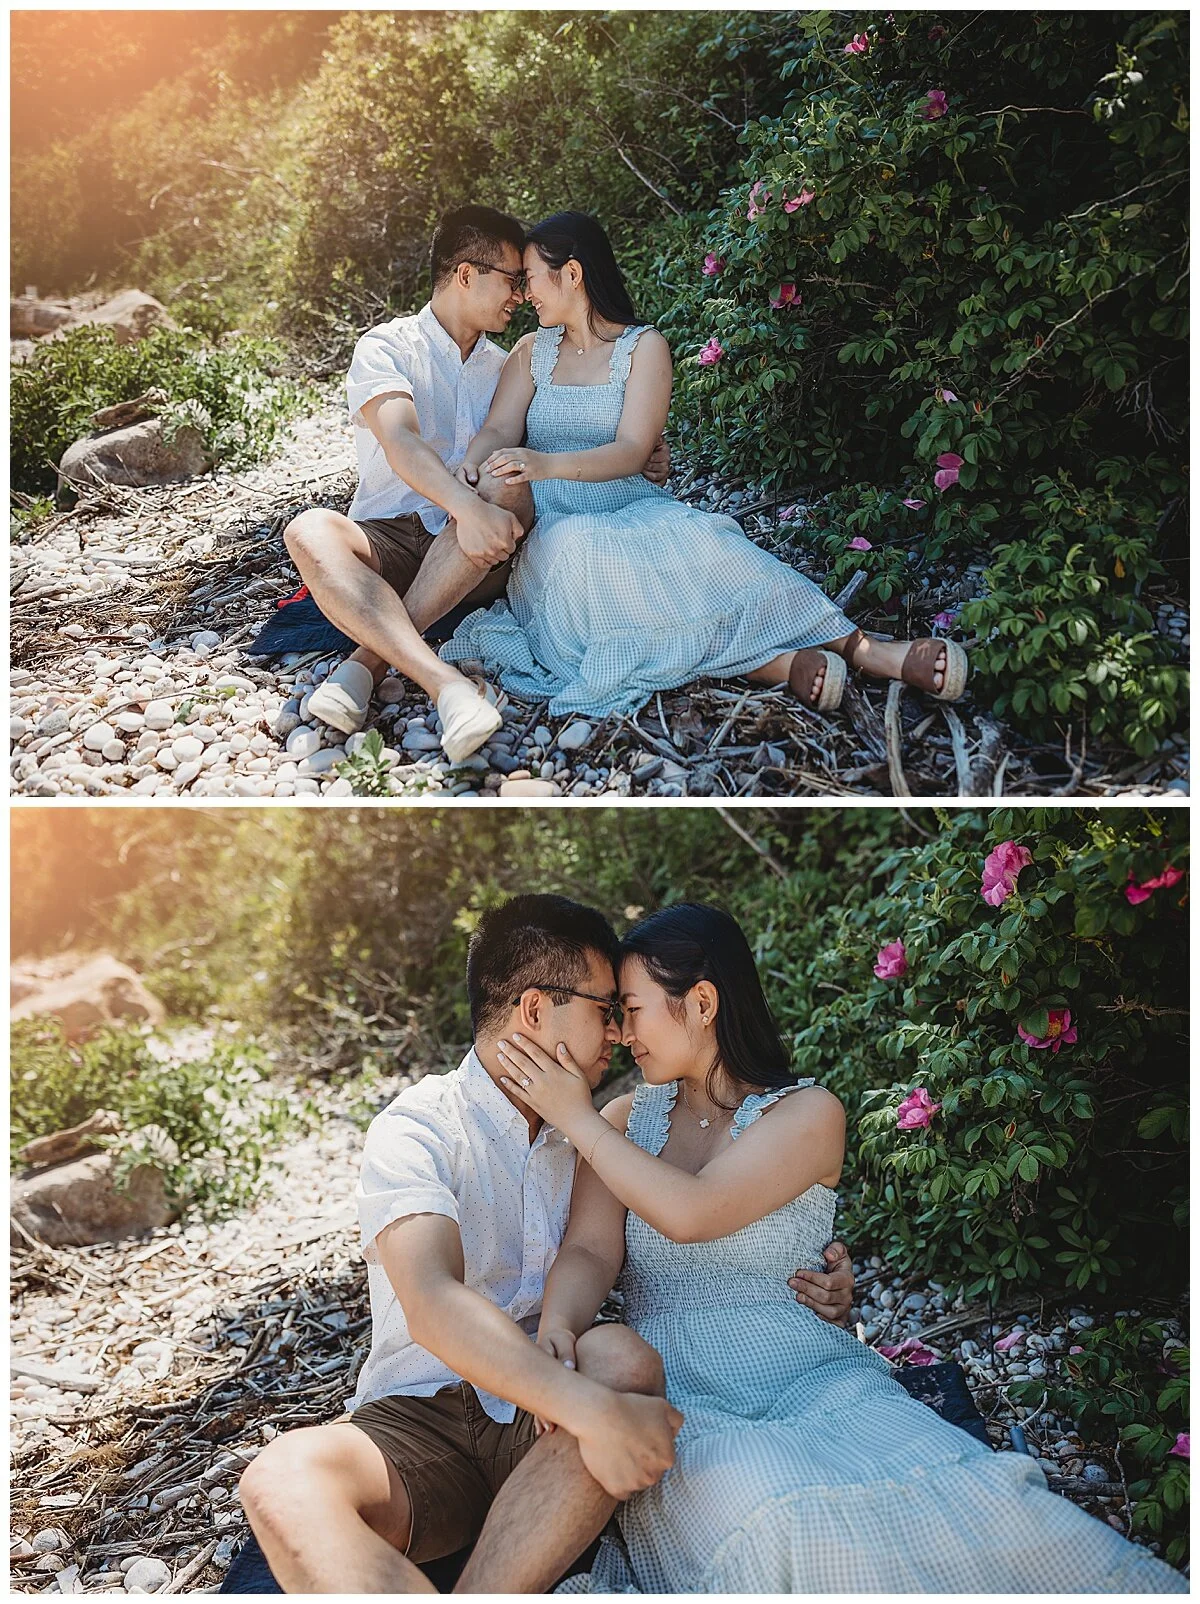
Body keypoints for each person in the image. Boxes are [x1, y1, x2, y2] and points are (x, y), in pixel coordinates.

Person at [491, 902, 1186, 1595]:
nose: (618, 1031)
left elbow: (692, 1213)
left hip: (807, 1370)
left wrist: (576, 1119)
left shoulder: (807, 1113)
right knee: (771, 1515)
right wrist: (557, 1327)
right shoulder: (622, 1119)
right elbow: (588, 1250)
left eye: (632, 1009)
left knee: (992, 1511)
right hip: (677, 1382)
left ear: (700, 1002)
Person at [238, 895, 854, 1593]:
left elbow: (678, 1223)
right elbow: (433, 1301)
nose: (618, 1036)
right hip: (425, 1420)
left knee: (621, 1357)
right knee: (281, 1477)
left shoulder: (594, 1135)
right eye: (602, 1011)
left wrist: (811, 1267)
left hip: (547, 1434)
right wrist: (589, 1409)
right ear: (536, 1012)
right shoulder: (418, 1129)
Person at [442, 211, 969, 719]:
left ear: (572, 275)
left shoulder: (644, 348)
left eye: (531, 278)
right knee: (594, 565)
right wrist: (472, 464)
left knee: (720, 550)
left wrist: (543, 462)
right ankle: (781, 666)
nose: (525, 292)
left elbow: (631, 451)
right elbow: (497, 431)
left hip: (635, 505)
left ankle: (873, 652)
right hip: (557, 522)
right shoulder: (531, 351)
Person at [282, 205, 670, 761]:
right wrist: (467, 504)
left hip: (483, 553)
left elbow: (554, 429)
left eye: (524, 282)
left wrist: (648, 452)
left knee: (508, 490)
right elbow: (402, 442)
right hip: (397, 534)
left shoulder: (508, 361)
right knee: (309, 529)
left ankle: (367, 660)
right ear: (466, 274)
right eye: (511, 281)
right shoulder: (388, 347)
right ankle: (444, 684)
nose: (520, 295)